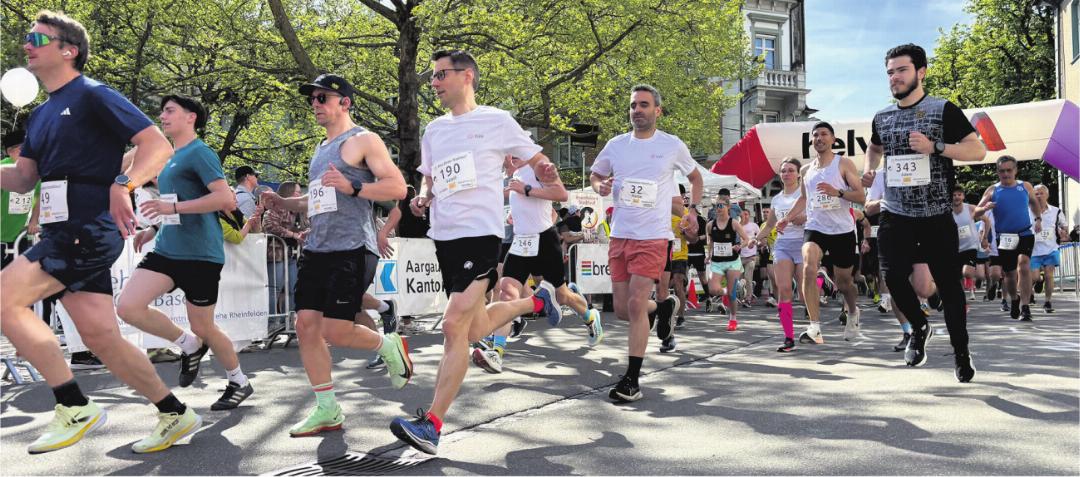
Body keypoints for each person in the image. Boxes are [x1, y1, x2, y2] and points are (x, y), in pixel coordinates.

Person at [0, 11, 203, 454]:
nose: (27, 44)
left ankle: (73, 405)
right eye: (27, 37)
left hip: (87, 227)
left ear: (68, 50)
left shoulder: (94, 95)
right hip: (62, 228)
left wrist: (123, 184)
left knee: (3, 298)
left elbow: (156, 145)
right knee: (101, 337)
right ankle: (174, 412)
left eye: (38, 38)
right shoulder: (40, 114)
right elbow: (23, 178)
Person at [390, 50, 563, 455]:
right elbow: (430, 177)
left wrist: (545, 170)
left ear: (467, 76)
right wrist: (424, 197)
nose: (434, 82)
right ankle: (537, 302)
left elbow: (536, 157)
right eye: (432, 76)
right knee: (474, 328)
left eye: (441, 75)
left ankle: (432, 424)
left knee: (453, 326)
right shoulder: (434, 130)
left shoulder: (496, 120)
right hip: (444, 237)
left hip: (481, 234)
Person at [260, 73, 412, 437]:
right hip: (317, 248)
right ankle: (327, 408)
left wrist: (353, 185)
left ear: (344, 102)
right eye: (311, 99)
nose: (314, 104)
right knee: (305, 326)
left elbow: (397, 188)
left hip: (351, 248)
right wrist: (282, 201)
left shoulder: (363, 139)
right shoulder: (320, 149)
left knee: (336, 329)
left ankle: (388, 344)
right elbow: (315, 199)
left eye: (322, 98)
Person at [115, 94, 254, 411]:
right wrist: (155, 228)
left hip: (200, 255)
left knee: (205, 327)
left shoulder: (200, 153)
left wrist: (172, 208)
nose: (162, 116)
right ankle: (189, 345)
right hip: (168, 249)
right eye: (162, 111)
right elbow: (174, 203)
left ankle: (239, 381)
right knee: (128, 306)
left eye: (170, 110)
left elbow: (224, 199)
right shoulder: (171, 158)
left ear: (191, 117)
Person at [862, 43, 986, 381]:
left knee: (949, 287)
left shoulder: (942, 109)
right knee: (892, 277)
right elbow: (874, 148)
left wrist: (936, 147)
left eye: (901, 70)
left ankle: (961, 353)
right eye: (890, 72)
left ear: (921, 72)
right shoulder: (882, 116)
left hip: (935, 213)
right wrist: (870, 169)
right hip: (896, 212)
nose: (895, 77)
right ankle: (919, 326)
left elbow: (977, 150)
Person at [590, 83, 704, 403]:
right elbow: (596, 174)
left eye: (643, 105)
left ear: (657, 110)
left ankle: (632, 380)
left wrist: (692, 211)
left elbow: (695, 178)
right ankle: (663, 307)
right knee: (623, 310)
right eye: (633, 105)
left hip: (653, 236)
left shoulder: (671, 145)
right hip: (620, 235)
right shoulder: (616, 145)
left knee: (636, 304)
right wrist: (600, 186)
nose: (637, 110)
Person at [474, 155, 603, 372]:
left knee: (562, 296)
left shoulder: (538, 167)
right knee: (507, 293)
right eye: (508, 153)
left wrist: (526, 190)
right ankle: (497, 351)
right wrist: (516, 215)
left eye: (515, 152)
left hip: (544, 241)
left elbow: (561, 195)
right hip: (521, 242)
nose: (510, 157)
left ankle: (590, 317)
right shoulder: (513, 175)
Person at [784, 122, 865, 344]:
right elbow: (804, 198)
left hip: (842, 230)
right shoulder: (805, 170)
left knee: (844, 283)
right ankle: (814, 327)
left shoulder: (843, 163)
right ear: (811, 141)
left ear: (833, 139)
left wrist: (838, 192)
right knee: (809, 268)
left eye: (824, 134)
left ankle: (852, 312)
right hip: (815, 227)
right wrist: (787, 218)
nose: (819, 138)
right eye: (816, 135)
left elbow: (860, 196)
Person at [973, 155, 1042, 321]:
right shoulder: (992, 190)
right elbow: (975, 212)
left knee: (1023, 266)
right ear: (997, 172)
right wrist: (985, 208)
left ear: (1015, 170)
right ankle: (1014, 299)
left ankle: (1025, 306)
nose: (1005, 174)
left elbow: (1034, 203)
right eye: (1002, 171)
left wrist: (1038, 219)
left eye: (1009, 170)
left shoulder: (1025, 186)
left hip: (1025, 233)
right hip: (1004, 237)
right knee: (1010, 274)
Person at [756, 157, 806, 352]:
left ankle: (821, 282)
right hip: (782, 245)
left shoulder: (804, 194)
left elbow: (817, 216)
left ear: (799, 174)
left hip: (803, 243)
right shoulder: (776, 199)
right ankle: (788, 337)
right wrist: (754, 239)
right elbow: (769, 225)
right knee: (784, 290)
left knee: (804, 294)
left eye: (791, 170)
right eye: (783, 171)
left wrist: (803, 218)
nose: (786, 174)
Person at [263, 181, 308, 316]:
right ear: (289, 193)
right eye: (297, 192)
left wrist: (304, 232)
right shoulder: (276, 207)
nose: (300, 195)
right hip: (276, 255)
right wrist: (292, 234)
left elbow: (307, 226)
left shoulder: (301, 211)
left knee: (293, 288)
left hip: (293, 255)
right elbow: (270, 225)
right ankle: (273, 320)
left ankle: (291, 320)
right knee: (275, 288)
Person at [706, 198, 751, 331]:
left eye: (721, 205)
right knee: (713, 290)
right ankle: (732, 290)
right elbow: (710, 242)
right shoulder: (710, 225)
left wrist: (739, 246)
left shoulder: (734, 223)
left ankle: (733, 319)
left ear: (728, 207)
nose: (718, 208)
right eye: (716, 206)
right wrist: (708, 255)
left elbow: (746, 239)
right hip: (717, 262)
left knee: (732, 295)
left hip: (732, 261)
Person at [1028, 184, 1067, 312]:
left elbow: (1064, 226)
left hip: (1051, 248)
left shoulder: (1056, 211)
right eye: (1036, 194)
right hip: (1033, 250)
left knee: (1049, 275)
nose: (1039, 196)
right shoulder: (1028, 211)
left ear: (1047, 195)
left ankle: (1048, 302)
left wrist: (1063, 232)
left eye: (1041, 193)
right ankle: (1037, 283)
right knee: (1034, 277)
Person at [950, 186, 990, 302]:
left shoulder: (970, 208)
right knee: (957, 277)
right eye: (954, 195)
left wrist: (984, 238)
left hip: (970, 246)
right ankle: (961, 300)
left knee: (967, 272)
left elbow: (986, 220)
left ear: (963, 196)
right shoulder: (947, 211)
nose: (957, 197)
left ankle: (971, 281)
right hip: (955, 248)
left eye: (959, 194)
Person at [737, 209, 760, 307]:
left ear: (749, 215)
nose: (744, 216)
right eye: (743, 214)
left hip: (751, 256)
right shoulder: (737, 225)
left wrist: (756, 242)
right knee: (739, 280)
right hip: (739, 257)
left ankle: (748, 299)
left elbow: (759, 237)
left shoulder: (754, 225)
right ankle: (741, 297)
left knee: (748, 277)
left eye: (746, 214)